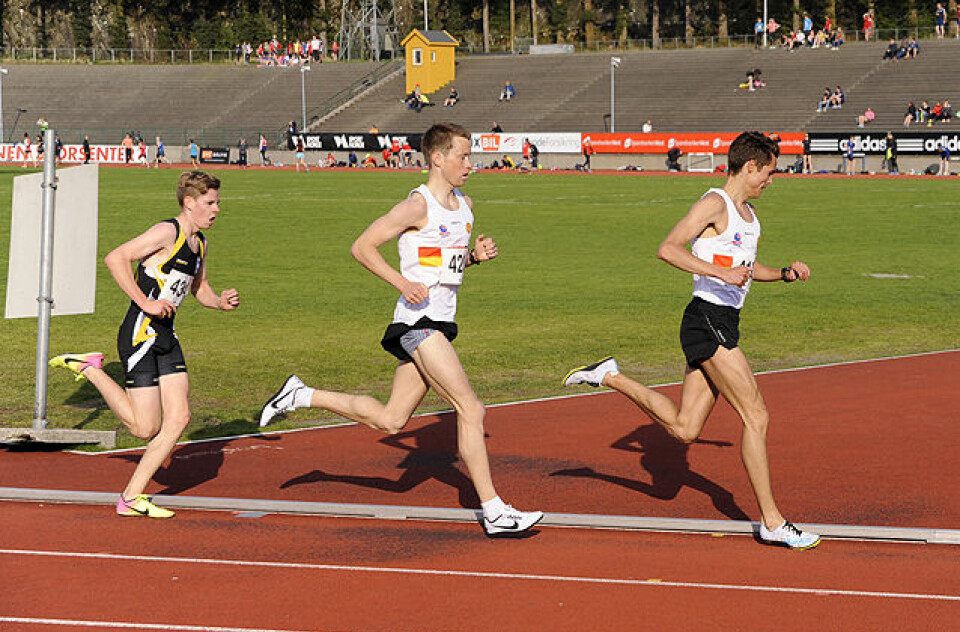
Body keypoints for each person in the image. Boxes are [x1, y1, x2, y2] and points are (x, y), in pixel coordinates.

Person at [258, 123, 543, 538]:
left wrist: (475, 259)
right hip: (418, 324)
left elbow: (445, 264)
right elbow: (362, 247)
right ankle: (495, 511)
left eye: (472, 156)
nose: (471, 164)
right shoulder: (416, 205)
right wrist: (401, 284)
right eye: (463, 156)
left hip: (441, 321)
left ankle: (302, 394)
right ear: (437, 159)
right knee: (471, 408)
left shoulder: (467, 205)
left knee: (391, 421)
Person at [562, 132, 820, 551]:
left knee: (684, 430)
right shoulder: (714, 203)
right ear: (750, 166)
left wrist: (785, 274)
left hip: (723, 321)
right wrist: (719, 274)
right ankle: (773, 521)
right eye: (770, 172)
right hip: (706, 320)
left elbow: (746, 271)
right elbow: (668, 248)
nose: (772, 181)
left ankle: (609, 376)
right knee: (756, 416)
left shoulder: (749, 213)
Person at [49, 171, 241, 519]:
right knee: (144, 428)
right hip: (141, 334)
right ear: (189, 203)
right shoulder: (167, 232)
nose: (217, 209)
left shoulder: (200, 244)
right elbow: (115, 258)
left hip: (167, 336)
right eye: (210, 203)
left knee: (180, 417)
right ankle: (90, 369)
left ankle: (131, 498)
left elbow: (200, 288)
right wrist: (145, 302)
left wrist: (220, 302)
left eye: (218, 202)